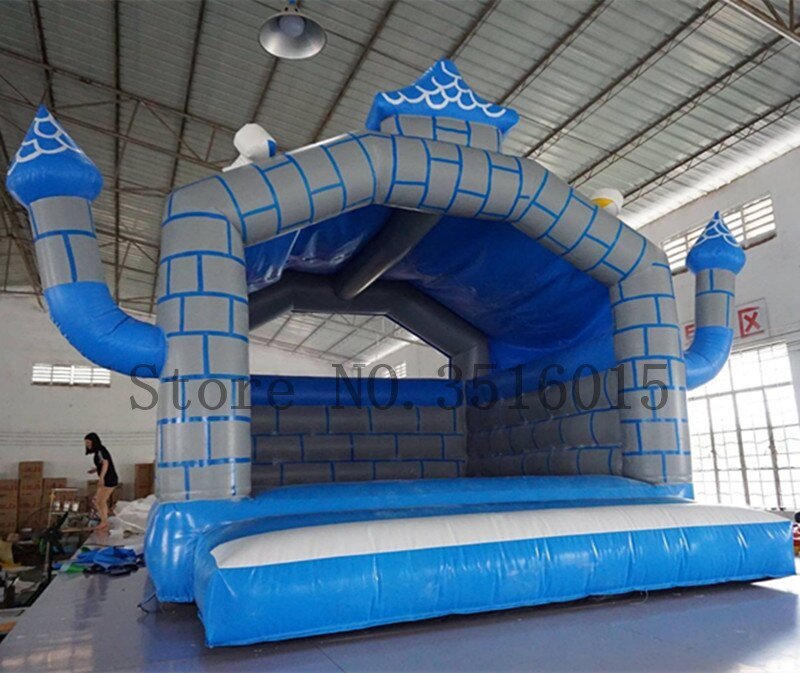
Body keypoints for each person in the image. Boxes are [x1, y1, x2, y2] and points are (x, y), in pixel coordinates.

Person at [84, 432, 119, 531]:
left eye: (88, 442)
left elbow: (105, 463)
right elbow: (103, 464)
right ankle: (104, 521)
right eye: (86, 443)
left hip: (109, 479)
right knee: (98, 501)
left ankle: (104, 522)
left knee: (101, 501)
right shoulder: (99, 451)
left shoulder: (100, 450)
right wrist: (96, 470)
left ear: (94, 442)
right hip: (108, 478)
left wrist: (101, 478)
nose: (87, 445)